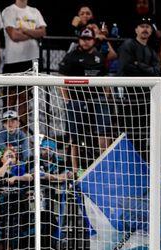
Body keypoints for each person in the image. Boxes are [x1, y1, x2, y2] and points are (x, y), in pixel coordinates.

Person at [58, 27, 109, 170]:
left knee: (104, 132)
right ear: (79, 40)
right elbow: (61, 80)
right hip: (76, 100)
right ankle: (75, 171)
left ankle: (104, 167)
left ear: (94, 40)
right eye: (83, 39)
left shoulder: (100, 56)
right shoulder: (71, 56)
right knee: (74, 137)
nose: (86, 42)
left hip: (97, 99)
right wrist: (67, 100)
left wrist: (105, 97)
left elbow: (106, 81)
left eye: (89, 39)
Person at [1, 0, 46, 74]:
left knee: (33, 85)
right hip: (14, 60)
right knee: (13, 86)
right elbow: (14, 36)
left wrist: (24, 30)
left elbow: (43, 32)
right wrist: (34, 34)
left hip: (33, 59)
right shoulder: (8, 11)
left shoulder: (35, 11)